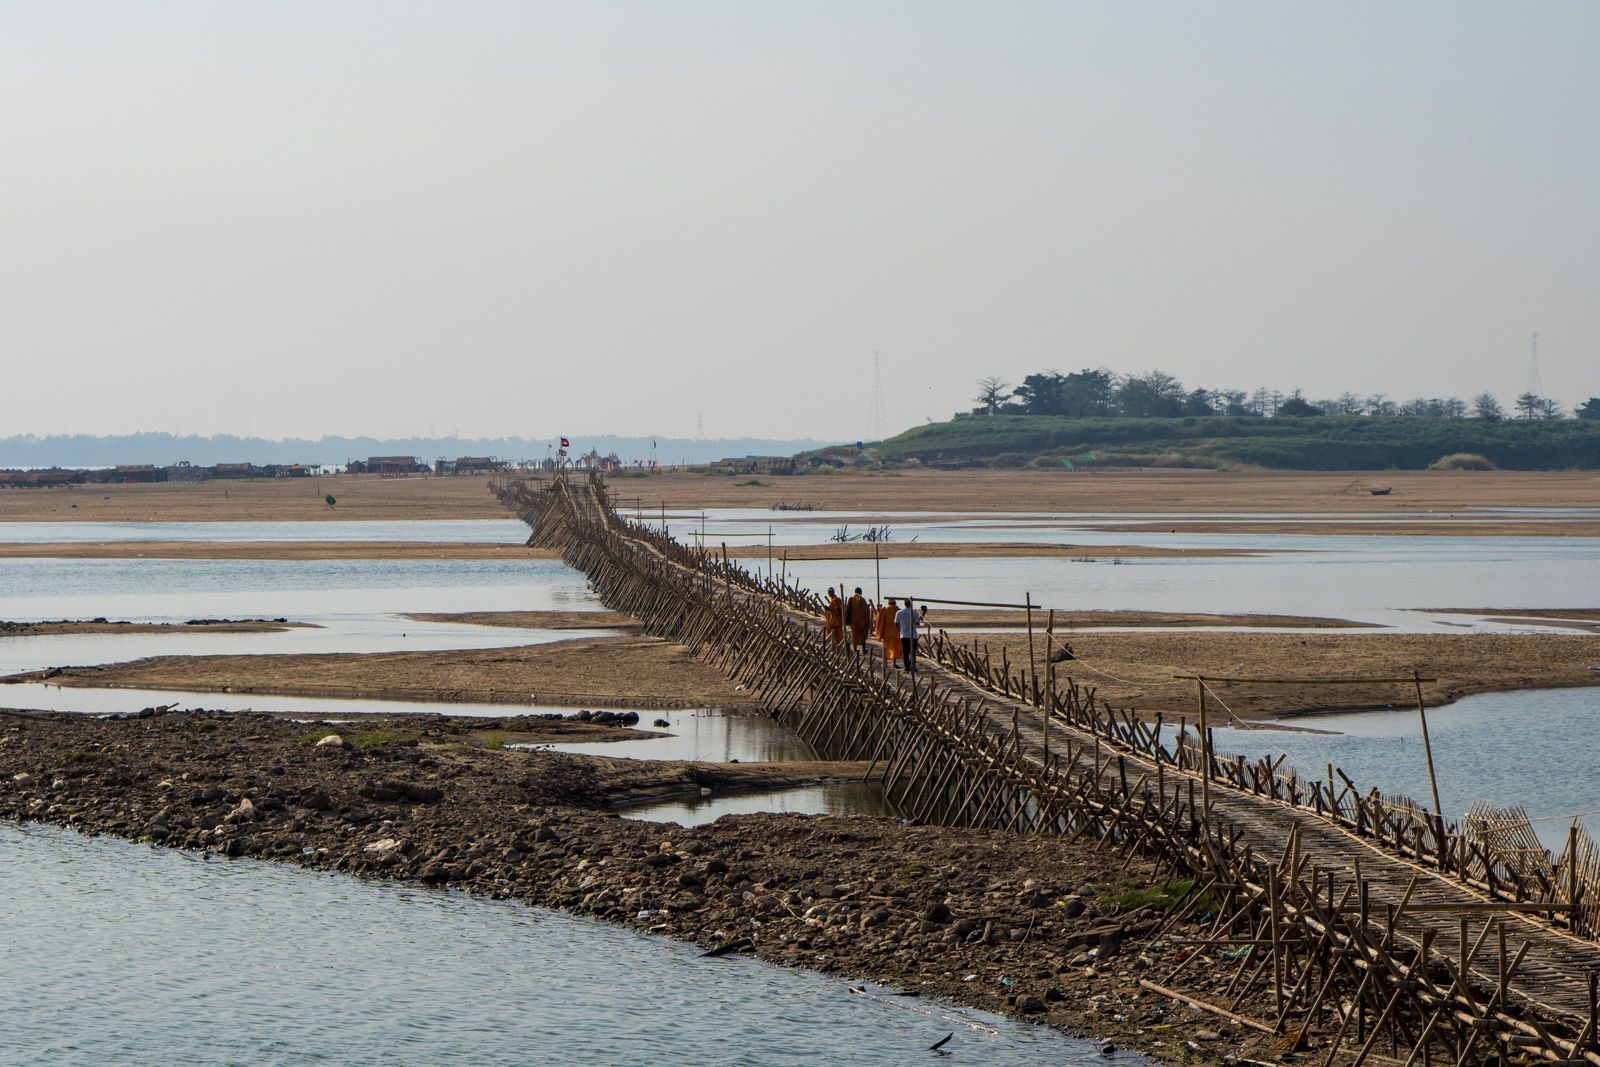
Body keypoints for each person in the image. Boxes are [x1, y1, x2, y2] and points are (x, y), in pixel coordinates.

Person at [875, 597, 903, 667]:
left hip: (887, 632)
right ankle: (894, 662)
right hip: (896, 632)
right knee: (895, 647)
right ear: (895, 603)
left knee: (886, 647)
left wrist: (880, 632)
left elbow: (879, 621)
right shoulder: (899, 610)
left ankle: (885, 663)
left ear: (888, 603)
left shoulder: (885, 610)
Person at [896, 597, 922, 673]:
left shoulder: (899, 612)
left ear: (904, 604)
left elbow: (896, 623)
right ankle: (912, 666)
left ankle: (907, 667)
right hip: (913, 635)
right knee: (912, 652)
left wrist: (898, 632)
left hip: (904, 635)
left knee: (905, 652)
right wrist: (923, 614)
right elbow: (919, 624)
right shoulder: (914, 613)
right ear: (911, 604)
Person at [846, 587, 872, 655]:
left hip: (854, 621)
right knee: (863, 634)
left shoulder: (851, 598)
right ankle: (863, 649)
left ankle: (855, 649)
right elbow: (866, 610)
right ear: (860, 592)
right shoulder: (862, 599)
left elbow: (847, 609)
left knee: (855, 635)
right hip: (862, 621)